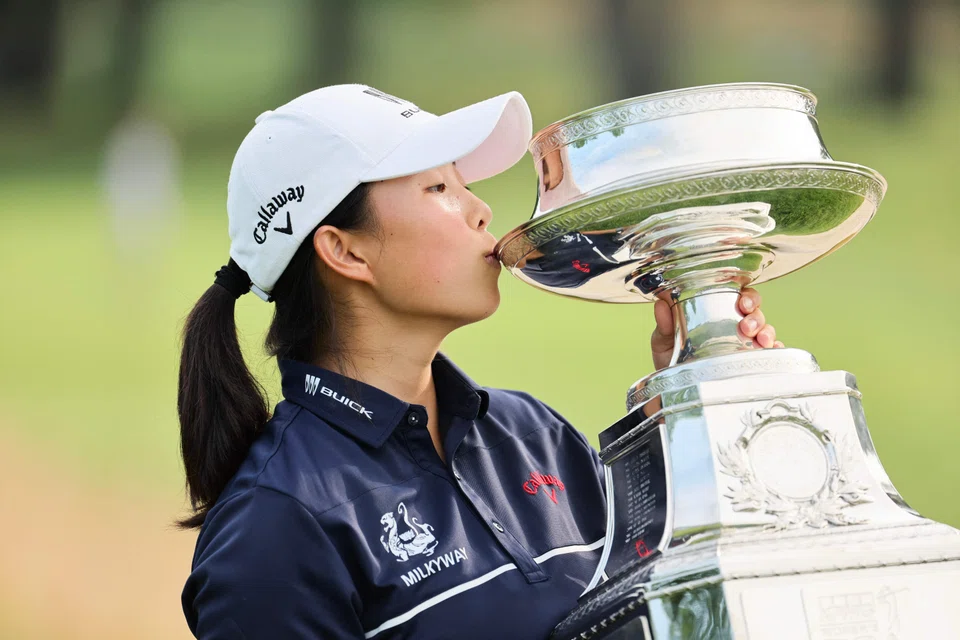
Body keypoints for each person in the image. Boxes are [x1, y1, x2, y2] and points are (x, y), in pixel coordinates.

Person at [177, 84, 779, 640]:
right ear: (344, 249)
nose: (480, 210)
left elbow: (674, 603)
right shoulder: (273, 528)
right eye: (438, 188)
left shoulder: (532, 432)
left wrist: (691, 406)